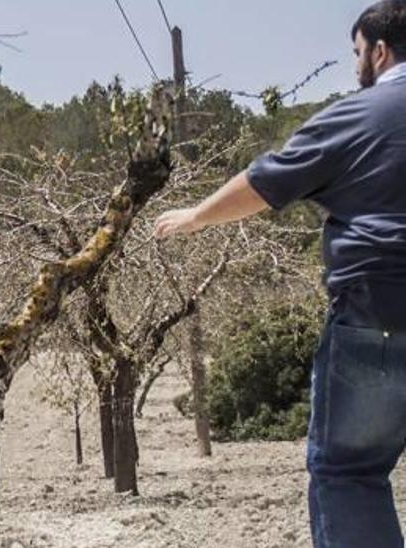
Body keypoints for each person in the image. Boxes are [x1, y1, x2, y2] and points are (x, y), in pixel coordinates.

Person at [154, 2, 406, 546]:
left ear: (380, 51)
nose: (358, 65)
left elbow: (265, 182)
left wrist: (196, 217)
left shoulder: (362, 114)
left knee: (351, 474)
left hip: (380, 317)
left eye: (359, 54)